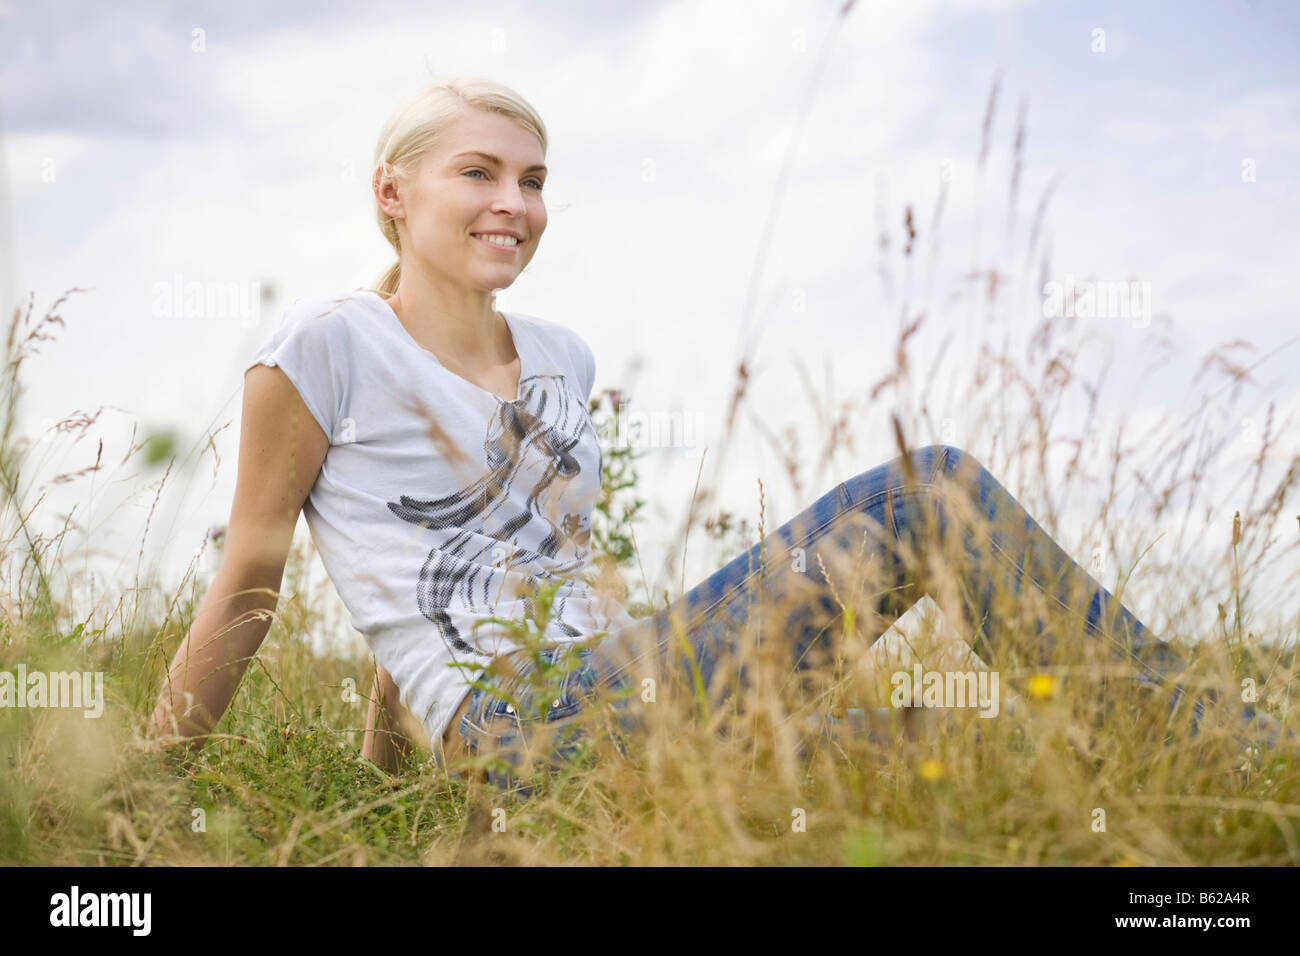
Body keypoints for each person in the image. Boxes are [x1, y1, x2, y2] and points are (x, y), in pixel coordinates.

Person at [149, 77, 1286, 791]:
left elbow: (483, 567)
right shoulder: (328, 342)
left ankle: (1188, 777)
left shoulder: (559, 354)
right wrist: (154, 786)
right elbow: (252, 576)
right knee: (928, 490)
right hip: (526, 722)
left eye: (535, 180)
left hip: (614, 686)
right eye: (479, 172)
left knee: (952, 744)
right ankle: (1228, 744)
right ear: (392, 192)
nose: (515, 201)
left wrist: (392, 791)